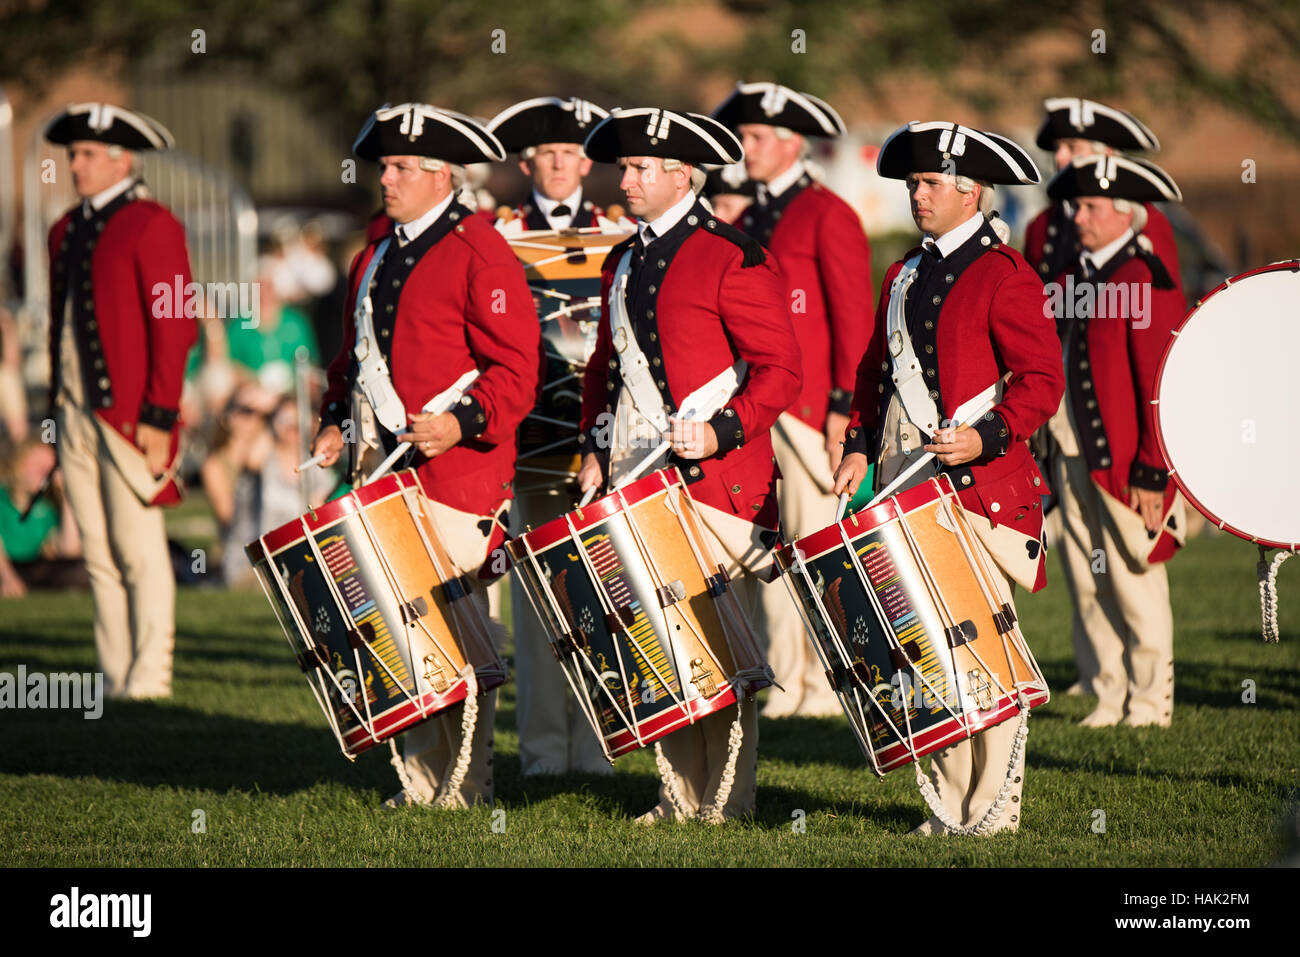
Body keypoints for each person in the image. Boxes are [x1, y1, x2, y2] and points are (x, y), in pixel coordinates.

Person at [833, 121, 1063, 835]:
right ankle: (946, 801)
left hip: (980, 488)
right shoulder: (905, 271)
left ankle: (994, 807)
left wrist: (986, 434)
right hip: (906, 481)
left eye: (930, 183)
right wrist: (858, 445)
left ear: (973, 192)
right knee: (924, 646)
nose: (916, 194)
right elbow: (876, 370)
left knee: (982, 645)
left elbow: (1041, 381)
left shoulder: (1005, 272)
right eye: (912, 183)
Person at [310, 103, 539, 808]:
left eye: (403, 166)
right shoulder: (373, 254)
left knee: (458, 627)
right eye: (386, 165)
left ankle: (467, 781)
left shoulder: (480, 249)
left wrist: (458, 422)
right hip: (385, 472)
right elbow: (352, 360)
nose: (388, 176)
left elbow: (516, 372)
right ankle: (419, 777)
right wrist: (332, 425)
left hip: (459, 473)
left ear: (443, 174)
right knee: (403, 629)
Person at [576, 107, 801, 823]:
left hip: (714, 480)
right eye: (626, 167)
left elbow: (781, 369)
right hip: (635, 472)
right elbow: (605, 369)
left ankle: (727, 800)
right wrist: (592, 444)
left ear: (682, 175)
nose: (626, 178)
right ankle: (676, 793)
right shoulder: (623, 259)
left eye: (641, 168)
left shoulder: (731, 255)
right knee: (660, 638)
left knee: (712, 635)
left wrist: (725, 428)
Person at [712, 81, 873, 718]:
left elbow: (854, 320)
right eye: (744, 136)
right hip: (758, 406)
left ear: (791, 142)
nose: (743, 148)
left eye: (754, 138)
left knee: (819, 549)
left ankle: (830, 686)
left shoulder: (829, 213)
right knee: (771, 552)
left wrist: (843, 406)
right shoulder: (749, 217)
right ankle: (786, 677)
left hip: (811, 414)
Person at [486, 95, 630, 777]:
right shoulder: (497, 234)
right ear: (526, 162)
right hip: (533, 444)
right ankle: (544, 749)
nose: (561, 165)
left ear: (588, 161)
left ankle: (603, 741)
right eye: (547, 155)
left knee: (602, 594)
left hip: (603, 443)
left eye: (573, 154)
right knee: (538, 597)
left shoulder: (623, 233)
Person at [43, 103, 197, 699]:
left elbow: (175, 322)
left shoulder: (151, 223)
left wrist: (160, 413)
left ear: (121, 159)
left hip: (129, 415)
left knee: (137, 547)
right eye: (72, 154)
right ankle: (114, 672)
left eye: (84, 155)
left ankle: (150, 675)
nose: (74, 165)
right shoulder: (64, 229)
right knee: (98, 551)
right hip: (74, 410)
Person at [1042, 154, 1186, 728]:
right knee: (1087, 577)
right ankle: (1108, 691)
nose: (1079, 216)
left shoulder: (1143, 277)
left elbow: (1161, 385)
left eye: (1093, 206)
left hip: (1124, 464)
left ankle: (1151, 701)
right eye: (1077, 205)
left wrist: (1154, 470)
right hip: (1069, 452)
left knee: (1134, 577)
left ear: (1126, 213)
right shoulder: (1077, 277)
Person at [1024, 97, 1181, 294]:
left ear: (1106, 155)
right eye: (1057, 148)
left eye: (1072, 147)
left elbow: (1157, 304)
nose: (1059, 157)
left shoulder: (1148, 222)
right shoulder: (1042, 224)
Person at [487, 97, 627, 234]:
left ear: (585, 164)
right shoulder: (503, 232)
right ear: (526, 164)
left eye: (568, 153)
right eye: (547, 153)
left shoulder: (615, 230)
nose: (558, 165)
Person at [0, 438, 85, 596]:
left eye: (47, 469)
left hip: (34, 569)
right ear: (18, 464)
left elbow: (69, 550)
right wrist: (8, 577)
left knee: (79, 571)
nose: (43, 473)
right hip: (5, 568)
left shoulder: (48, 507)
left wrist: (67, 494)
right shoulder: (2, 497)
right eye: (37, 465)